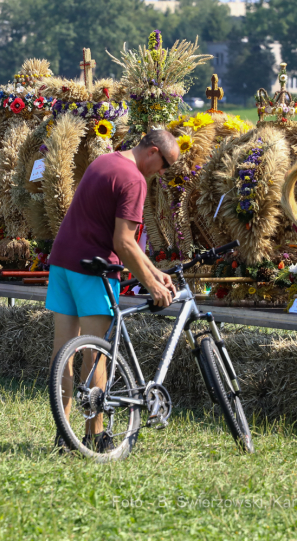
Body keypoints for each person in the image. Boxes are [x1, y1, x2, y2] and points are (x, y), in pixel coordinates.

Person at [46, 129, 180, 452]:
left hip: (63, 262)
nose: (163, 173)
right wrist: (152, 285)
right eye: (165, 165)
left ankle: (63, 436)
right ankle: (95, 437)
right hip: (94, 271)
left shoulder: (105, 161)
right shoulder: (134, 180)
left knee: (63, 353)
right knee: (96, 356)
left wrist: (155, 272)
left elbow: (124, 241)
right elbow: (123, 242)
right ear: (152, 151)